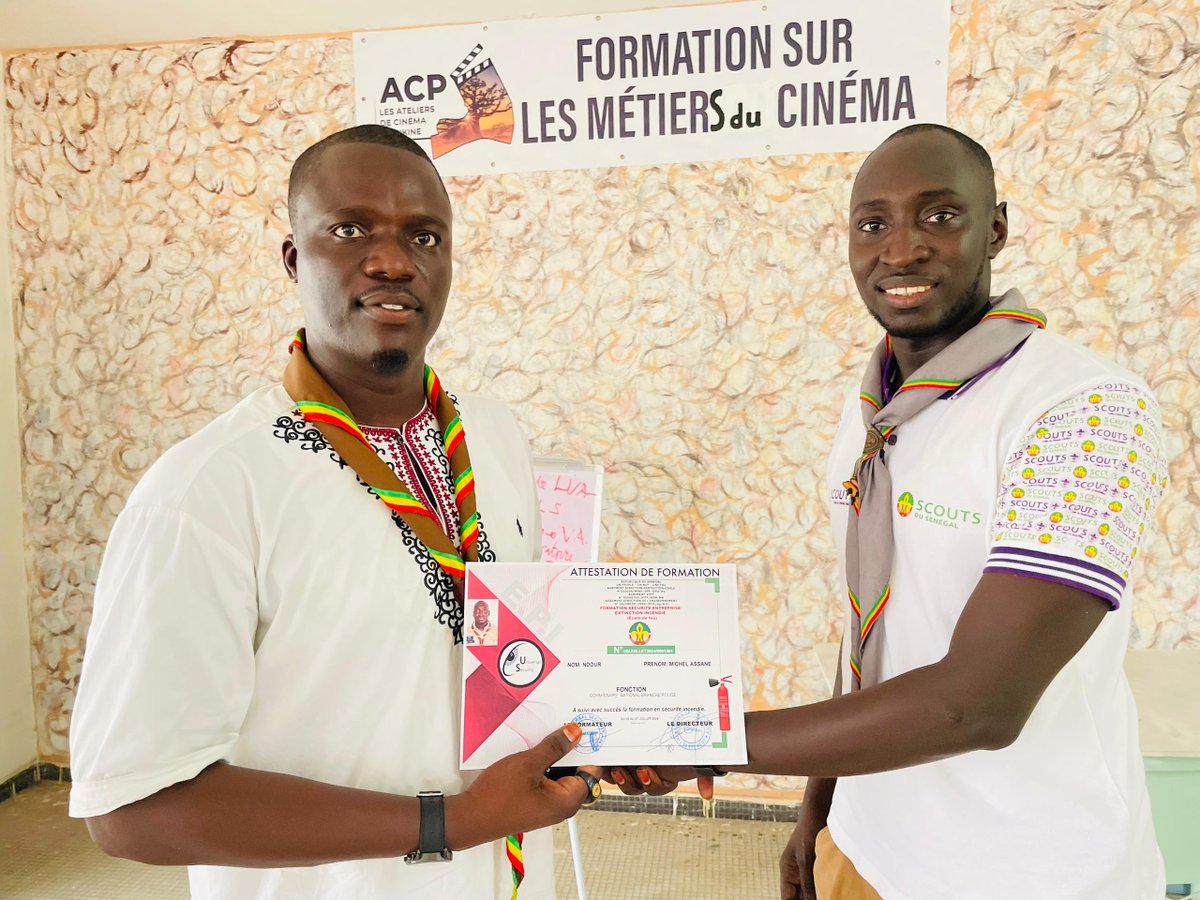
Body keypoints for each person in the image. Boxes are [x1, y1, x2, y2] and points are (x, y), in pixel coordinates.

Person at [612, 124, 1167, 900]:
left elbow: (981, 702)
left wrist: (706, 740)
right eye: (874, 224)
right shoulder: (874, 409)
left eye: (939, 216)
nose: (900, 250)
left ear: (997, 229)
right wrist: (823, 807)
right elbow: (870, 627)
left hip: (1029, 871)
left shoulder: (1082, 407)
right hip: (872, 851)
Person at [68, 125, 596, 899]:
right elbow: (130, 806)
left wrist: (616, 732)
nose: (392, 260)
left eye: (425, 235)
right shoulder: (209, 490)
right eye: (350, 230)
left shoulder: (493, 435)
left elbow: (505, 657)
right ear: (294, 258)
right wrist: (447, 822)